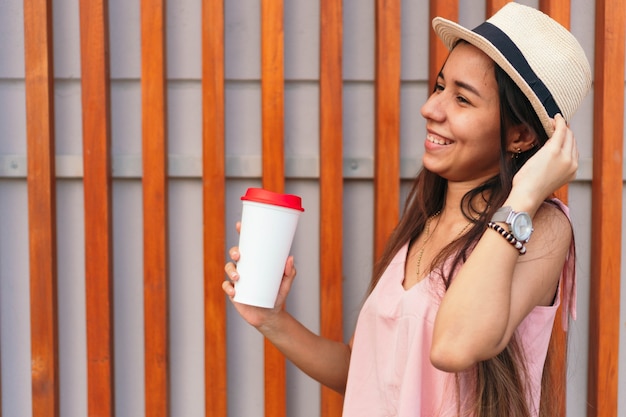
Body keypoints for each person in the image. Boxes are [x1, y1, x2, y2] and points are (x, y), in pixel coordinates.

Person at [223, 3, 591, 416]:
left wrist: (523, 197)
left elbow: (455, 347)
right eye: (439, 87)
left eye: (462, 100)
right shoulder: (427, 221)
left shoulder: (541, 226)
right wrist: (272, 319)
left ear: (520, 134)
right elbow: (372, 375)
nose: (431, 109)